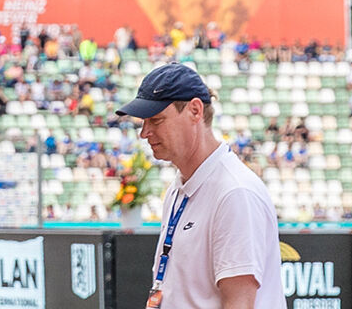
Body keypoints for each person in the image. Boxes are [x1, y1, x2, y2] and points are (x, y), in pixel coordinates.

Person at [116, 62, 285, 309]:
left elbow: (239, 304)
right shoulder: (180, 186)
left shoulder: (234, 192)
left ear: (195, 110)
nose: (144, 132)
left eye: (156, 120)